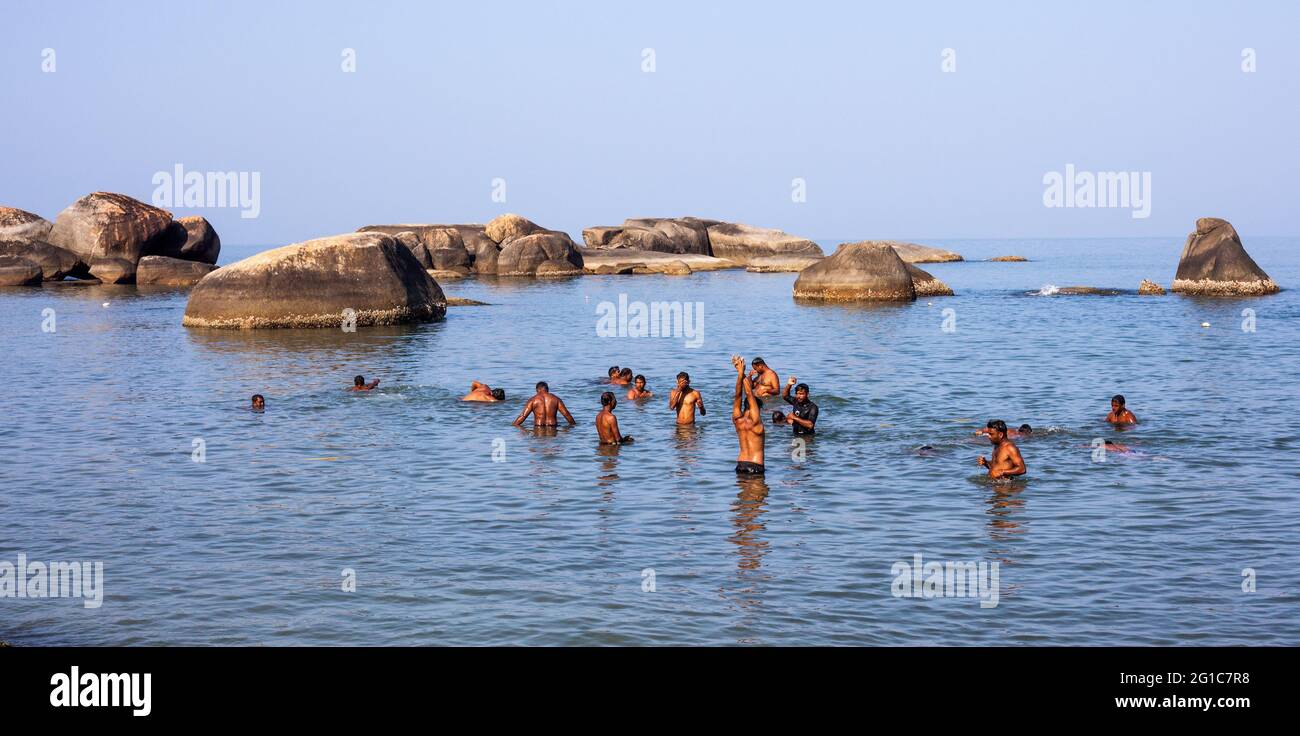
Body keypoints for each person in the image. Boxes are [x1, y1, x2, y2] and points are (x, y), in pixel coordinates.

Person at [732, 356, 765, 474]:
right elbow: (749, 394)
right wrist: (741, 372)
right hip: (755, 466)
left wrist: (740, 373)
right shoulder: (755, 422)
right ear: (756, 408)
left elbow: (738, 395)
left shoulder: (737, 420)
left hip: (740, 465)